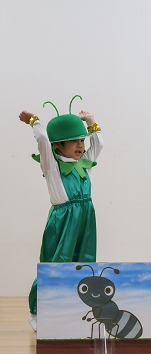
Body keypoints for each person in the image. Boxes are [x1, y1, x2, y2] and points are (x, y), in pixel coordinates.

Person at [19, 96, 103, 332]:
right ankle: (37, 311)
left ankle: (71, 308)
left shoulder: (84, 162)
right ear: (58, 145)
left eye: (81, 140)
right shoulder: (52, 166)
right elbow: (43, 141)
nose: (80, 145)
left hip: (86, 217)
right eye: (73, 141)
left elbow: (99, 144)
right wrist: (35, 122)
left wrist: (91, 121)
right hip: (64, 220)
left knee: (84, 262)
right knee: (55, 264)